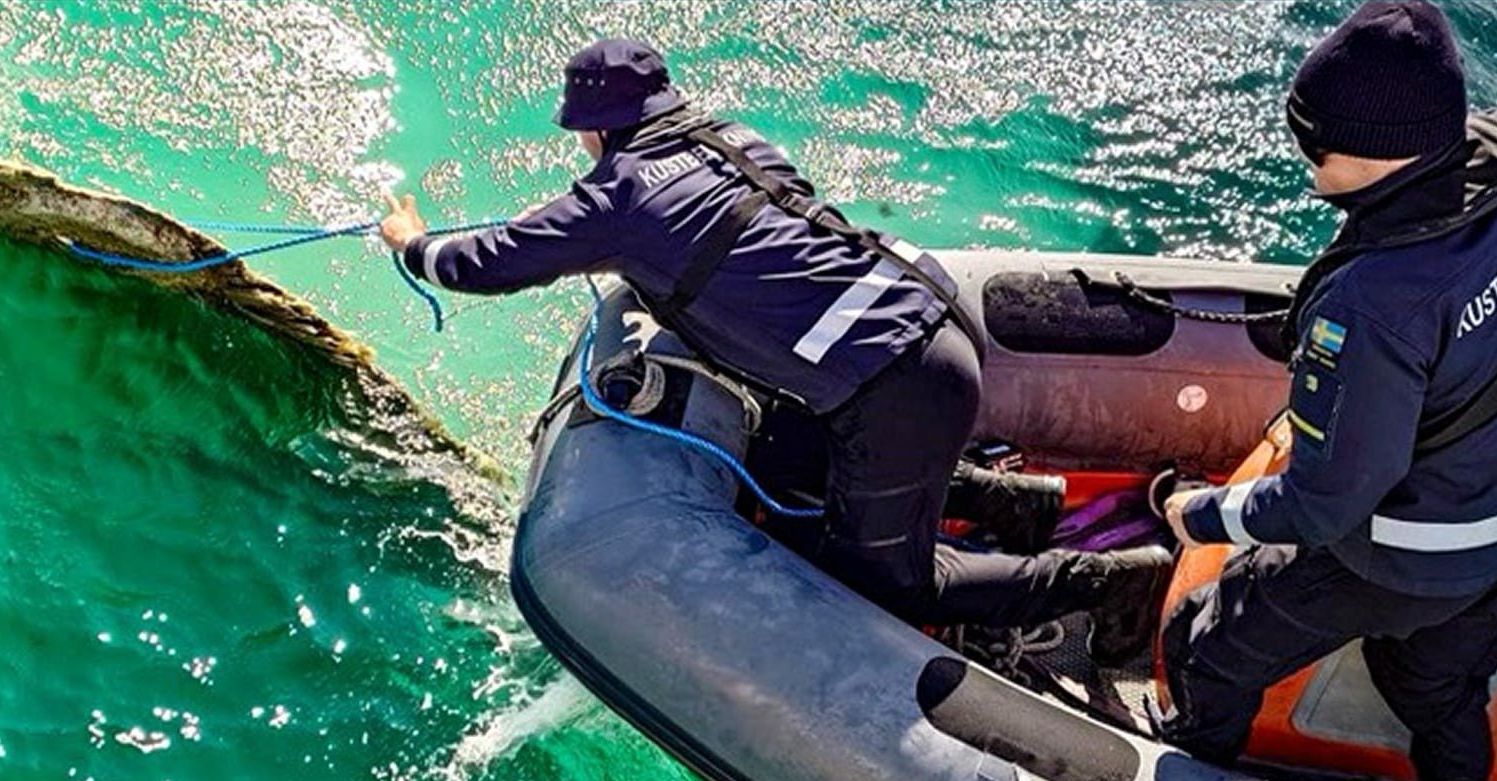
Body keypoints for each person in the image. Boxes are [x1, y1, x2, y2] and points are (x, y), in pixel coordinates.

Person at [380, 37, 1169, 646]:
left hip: (895, 384)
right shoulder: (731, 137)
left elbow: (486, 263)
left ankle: (1101, 583)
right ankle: (1014, 501)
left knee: (887, 586)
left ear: (592, 128)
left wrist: (412, 244)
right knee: (784, 450)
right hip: (931, 328)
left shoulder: (617, 196)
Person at [1156, 0, 1497, 781]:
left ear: (1361, 153)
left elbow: (1326, 504)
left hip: (1402, 560)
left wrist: (1202, 514)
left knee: (1209, 641)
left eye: (1312, 145)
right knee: (1436, 685)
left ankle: (1193, 775)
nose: (1308, 164)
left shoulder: (1371, 305)